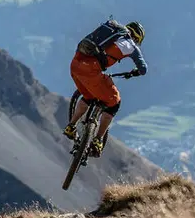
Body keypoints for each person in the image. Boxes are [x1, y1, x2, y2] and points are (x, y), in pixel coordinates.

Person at [63, 19, 147, 157]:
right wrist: (134, 72)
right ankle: (98, 140)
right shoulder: (131, 46)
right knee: (114, 102)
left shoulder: (111, 28)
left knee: (89, 96)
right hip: (91, 71)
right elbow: (143, 69)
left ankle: (71, 126)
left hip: (75, 64)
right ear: (137, 38)